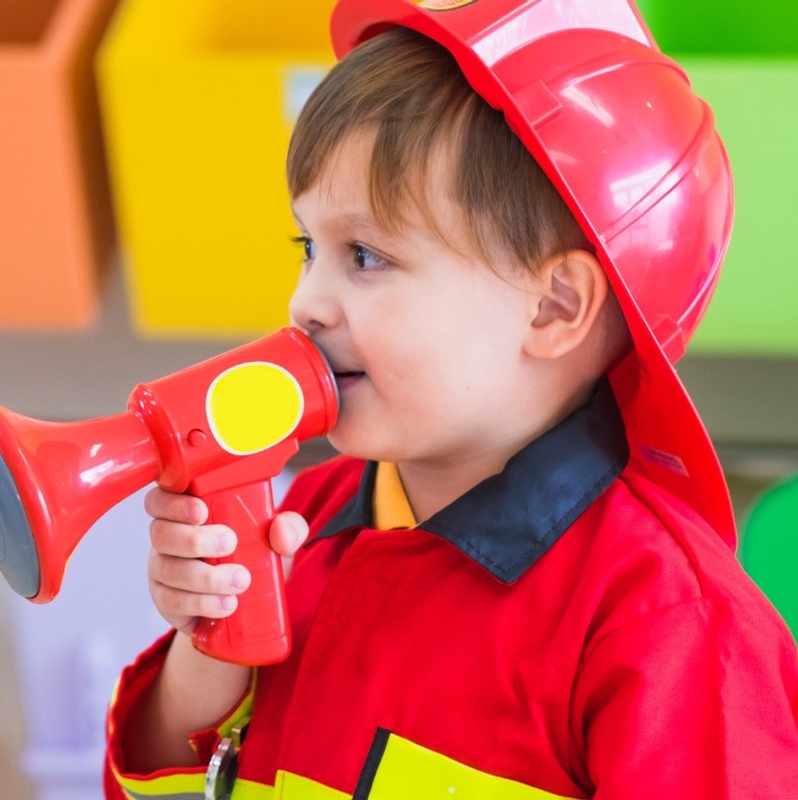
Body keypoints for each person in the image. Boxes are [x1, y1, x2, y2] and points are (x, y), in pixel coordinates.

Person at [104, 1, 798, 797]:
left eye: (365, 255)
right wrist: (202, 663)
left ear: (554, 308)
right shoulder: (302, 522)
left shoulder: (667, 621)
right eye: (308, 248)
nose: (306, 302)